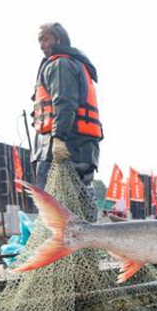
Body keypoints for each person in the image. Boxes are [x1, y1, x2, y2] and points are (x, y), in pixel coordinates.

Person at [31, 22, 103, 222]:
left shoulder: (60, 64)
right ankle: (86, 249)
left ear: (59, 39)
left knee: (54, 209)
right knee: (78, 205)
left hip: (66, 148)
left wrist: (59, 138)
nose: (42, 45)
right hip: (83, 148)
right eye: (40, 40)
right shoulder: (77, 63)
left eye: (45, 39)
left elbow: (64, 102)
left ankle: (63, 251)